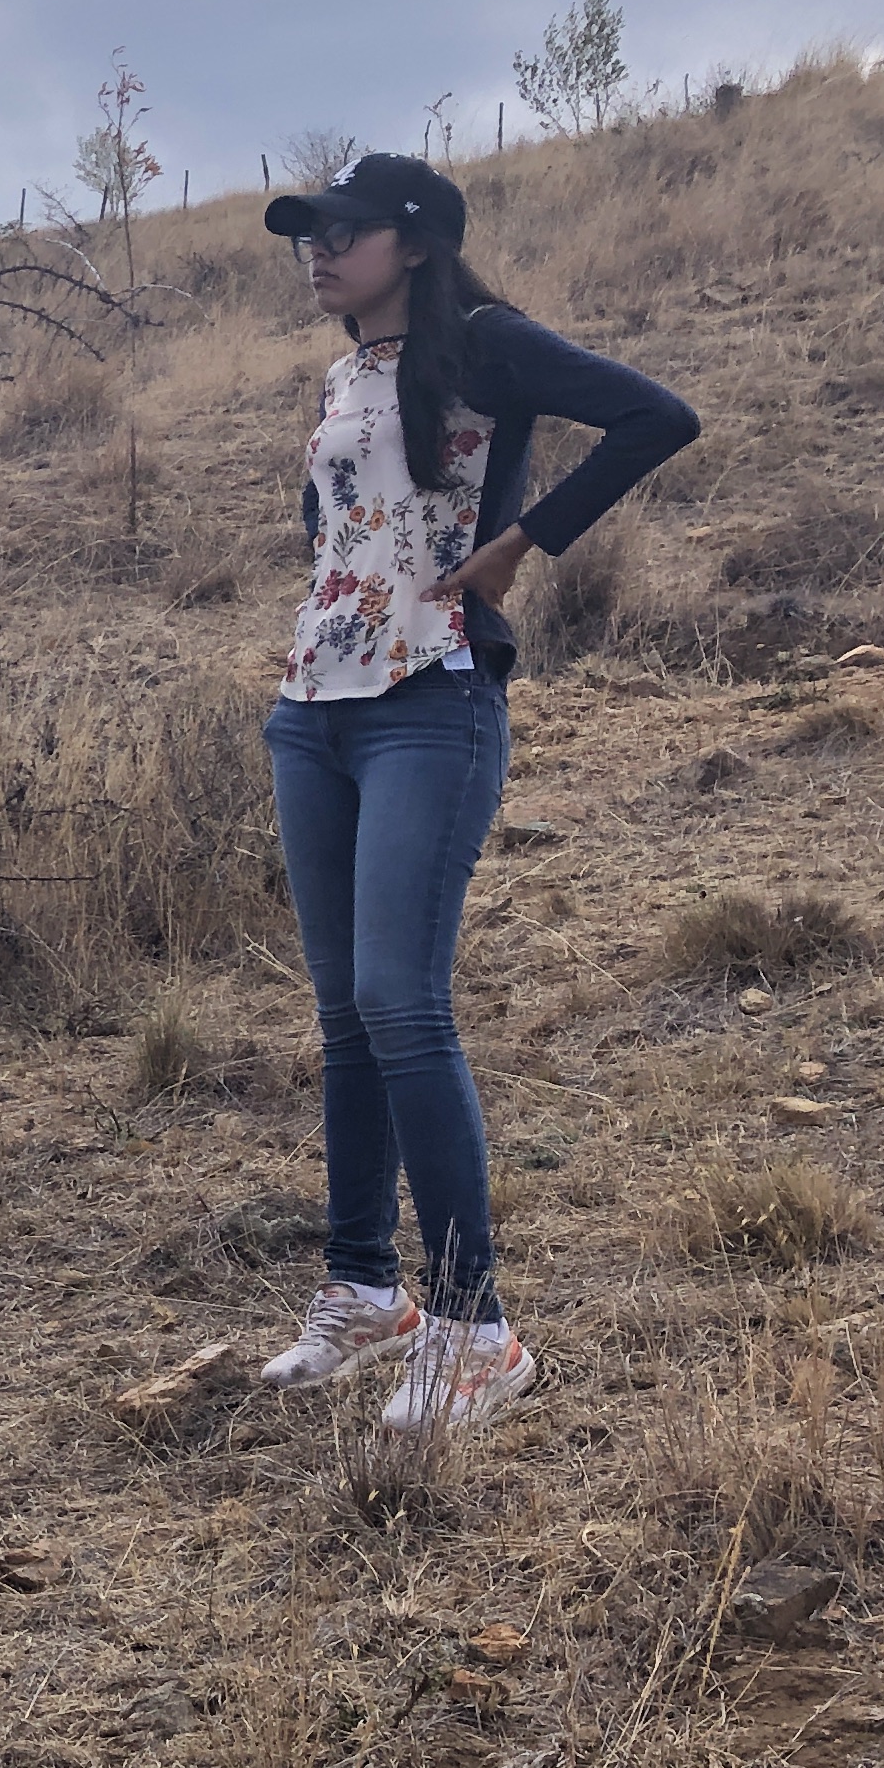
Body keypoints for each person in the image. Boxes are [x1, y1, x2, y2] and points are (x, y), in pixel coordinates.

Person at [252, 154, 696, 1430]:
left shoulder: (486, 343)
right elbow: (338, 530)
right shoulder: (344, 372)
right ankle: (362, 1292)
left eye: (342, 231)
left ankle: (473, 1328)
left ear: (419, 238)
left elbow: (658, 417)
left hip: (432, 702)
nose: (317, 250)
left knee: (402, 1002)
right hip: (314, 710)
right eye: (306, 233)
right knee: (342, 1013)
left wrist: (522, 540)